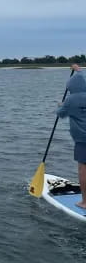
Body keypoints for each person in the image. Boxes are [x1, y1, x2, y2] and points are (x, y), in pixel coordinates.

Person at [57, 64, 86, 209]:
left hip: (83, 139)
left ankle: (85, 202)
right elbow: (81, 80)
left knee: (83, 168)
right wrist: (78, 70)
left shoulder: (71, 100)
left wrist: (60, 105)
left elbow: (61, 114)